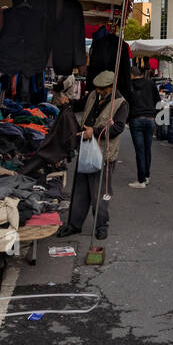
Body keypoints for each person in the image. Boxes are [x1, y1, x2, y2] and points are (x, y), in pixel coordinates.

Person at [60, 70, 128, 241]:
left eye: (102, 89)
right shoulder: (92, 95)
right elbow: (80, 105)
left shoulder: (121, 103)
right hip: (85, 149)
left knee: (100, 192)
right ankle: (74, 225)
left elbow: (118, 128)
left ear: (111, 87)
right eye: (97, 88)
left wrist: (96, 131)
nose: (98, 91)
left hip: (104, 153)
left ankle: (102, 226)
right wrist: (69, 102)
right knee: (80, 190)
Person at [127, 65, 159, 188]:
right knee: (147, 149)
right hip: (150, 119)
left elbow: (127, 103)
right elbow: (157, 100)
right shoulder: (150, 83)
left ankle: (141, 181)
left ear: (131, 75)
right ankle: (146, 176)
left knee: (140, 151)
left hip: (136, 119)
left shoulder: (129, 85)